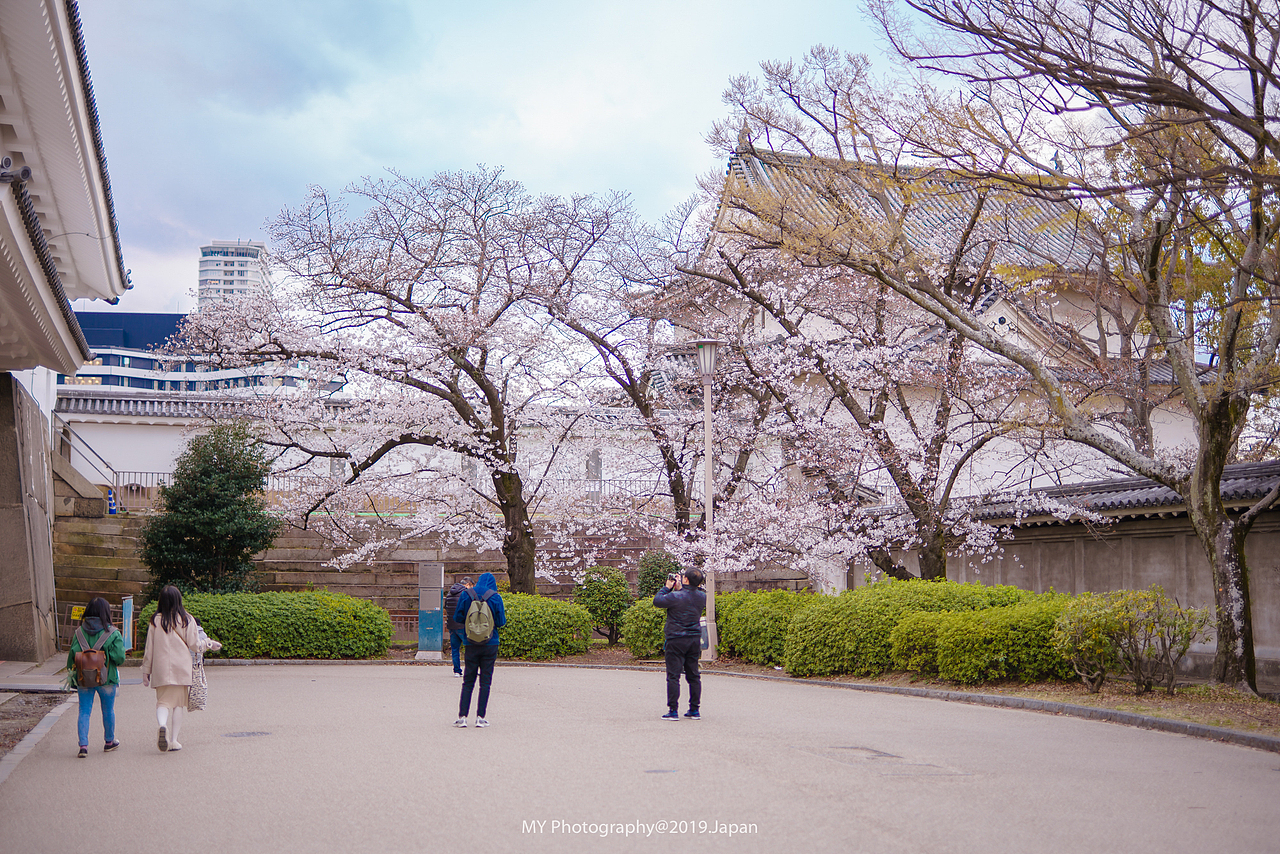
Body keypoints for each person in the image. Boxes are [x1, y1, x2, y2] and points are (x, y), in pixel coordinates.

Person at [141, 585, 220, 752]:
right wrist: (209, 643)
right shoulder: (187, 619)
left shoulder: (155, 620)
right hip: (182, 668)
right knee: (178, 705)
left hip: (161, 668)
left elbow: (149, 649)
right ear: (179, 600)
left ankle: (162, 725)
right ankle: (174, 741)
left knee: (162, 702)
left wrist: (146, 671)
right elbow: (195, 645)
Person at [66, 597, 126, 758]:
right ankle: (109, 742)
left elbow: (72, 656)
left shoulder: (78, 632)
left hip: (83, 678)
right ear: (106, 612)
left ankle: (83, 746)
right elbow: (119, 657)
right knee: (108, 710)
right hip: (107, 678)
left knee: (84, 710)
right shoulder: (113, 633)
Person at [453, 572, 506, 728]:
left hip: (470, 642)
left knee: (468, 680)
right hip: (491, 643)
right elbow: (501, 622)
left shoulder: (467, 594)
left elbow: (457, 617)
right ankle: (480, 718)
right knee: (485, 681)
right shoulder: (495, 597)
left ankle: (462, 717)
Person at [653, 567, 706, 721]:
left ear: (686, 580)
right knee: (694, 675)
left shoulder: (675, 596)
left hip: (676, 639)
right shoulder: (702, 597)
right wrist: (680, 588)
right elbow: (689, 596)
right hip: (694, 639)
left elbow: (658, 601)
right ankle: (694, 710)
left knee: (673, 676)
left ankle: (673, 710)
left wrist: (667, 587)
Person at [443, 576, 472, 677]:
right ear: (467, 585)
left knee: (455, 649)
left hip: (451, 625)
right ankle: (470, 670)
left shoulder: (450, 593)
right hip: (462, 625)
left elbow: (446, 607)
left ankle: (457, 671)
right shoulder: (465, 594)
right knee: (469, 648)